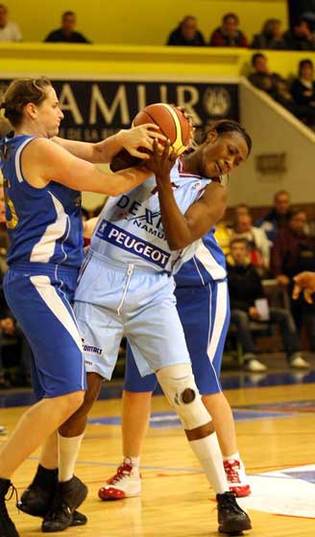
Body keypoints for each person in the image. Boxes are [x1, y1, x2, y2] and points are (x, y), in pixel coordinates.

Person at [20, 120, 253, 535]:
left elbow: (179, 238)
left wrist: (163, 180)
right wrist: (147, 130)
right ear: (211, 135)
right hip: (99, 280)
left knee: (185, 393)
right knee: (82, 392)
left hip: (154, 290)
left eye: (239, 160)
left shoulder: (213, 193)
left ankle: (225, 499)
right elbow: (103, 154)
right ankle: (62, 492)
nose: (230, 162)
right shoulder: (156, 151)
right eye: (230, 149)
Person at [0, 76, 166, 537]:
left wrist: (128, 138)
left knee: (55, 394)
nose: (61, 112)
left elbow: (96, 151)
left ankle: (48, 487)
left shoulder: (26, 144)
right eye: (54, 105)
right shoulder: (38, 149)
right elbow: (106, 181)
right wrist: (158, 164)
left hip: (54, 279)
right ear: (31, 109)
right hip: (41, 277)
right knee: (70, 393)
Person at [96, 229, 251, 502]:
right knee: (137, 385)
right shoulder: (133, 188)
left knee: (205, 383)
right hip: (151, 291)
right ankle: (130, 467)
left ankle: (232, 461)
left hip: (201, 290)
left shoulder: (197, 186)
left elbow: (179, 225)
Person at [227, 238, 308, 371]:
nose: (238, 252)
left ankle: (294, 355)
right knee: (241, 316)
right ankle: (251, 358)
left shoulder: (253, 270)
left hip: (255, 310)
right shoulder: (224, 270)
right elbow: (226, 299)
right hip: (234, 311)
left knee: (284, 314)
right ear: (231, 251)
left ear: (247, 251)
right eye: (235, 249)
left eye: (241, 249)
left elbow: (260, 294)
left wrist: (261, 310)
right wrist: (248, 309)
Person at [270, 209, 315, 352]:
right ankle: (294, 349)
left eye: (303, 221)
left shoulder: (308, 238)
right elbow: (276, 258)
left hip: (310, 281)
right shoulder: (282, 237)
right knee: (295, 316)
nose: (300, 224)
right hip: (291, 281)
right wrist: (279, 274)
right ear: (290, 221)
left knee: (311, 313)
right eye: (297, 220)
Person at [230, 212, 271, 276]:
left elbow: (265, 251)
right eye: (243, 224)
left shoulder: (258, 232)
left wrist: (266, 264)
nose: (247, 225)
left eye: (248, 223)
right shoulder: (232, 235)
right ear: (237, 224)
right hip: (239, 268)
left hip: (258, 266)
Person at [290, 58, 315, 128]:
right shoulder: (296, 84)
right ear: (300, 70)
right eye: (304, 68)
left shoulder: (314, 84)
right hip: (305, 112)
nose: (306, 71)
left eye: (309, 68)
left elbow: (309, 97)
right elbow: (299, 99)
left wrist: (309, 95)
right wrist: (311, 99)